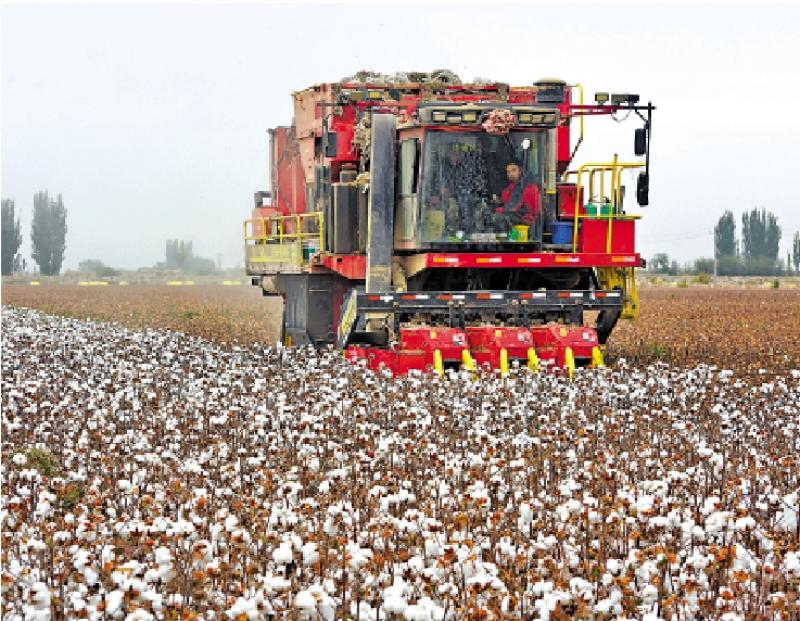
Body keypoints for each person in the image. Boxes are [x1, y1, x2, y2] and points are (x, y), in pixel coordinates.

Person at [495, 162, 541, 227]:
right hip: (517, 218)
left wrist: (495, 210)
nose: (511, 174)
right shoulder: (510, 187)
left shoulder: (527, 185)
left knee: (497, 218)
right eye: (508, 172)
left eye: (514, 170)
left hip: (526, 221)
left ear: (520, 171)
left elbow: (512, 207)